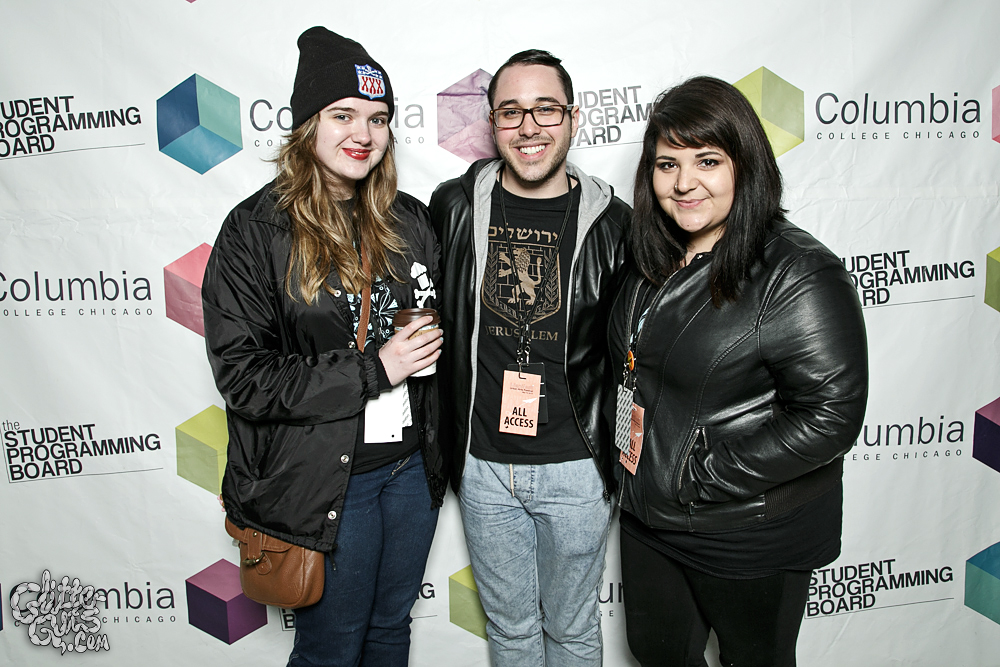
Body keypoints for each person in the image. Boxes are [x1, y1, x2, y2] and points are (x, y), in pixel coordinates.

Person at [201, 27, 446, 667]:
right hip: (328, 482)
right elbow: (245, 377)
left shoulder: (408, 219)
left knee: (390, 631)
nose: (363, 133)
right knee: (331, 649)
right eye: (343, 115)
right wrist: (375, 369)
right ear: (308, 124)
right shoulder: (256, 230)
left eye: (378, 118)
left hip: (409, 472)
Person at [607, 76, 868, 667]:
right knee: (657, 653)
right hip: (650, 516)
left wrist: (703, 474)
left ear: (745, 165)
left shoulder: (796, 273)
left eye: (707, 161)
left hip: (745, 528)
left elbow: (830, 416)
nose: (684, 183)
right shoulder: (652, 254)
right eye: (667, 164)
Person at [429, 49, 630, 666]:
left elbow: (635, 352)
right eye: (511, 111)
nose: (529, 126)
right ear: (492, 122)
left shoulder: (616, 225)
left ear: (572, 117)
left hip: (577, 465)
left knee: (572, 630)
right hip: (484, 466)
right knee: (511, 632)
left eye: (546, 109)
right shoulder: (454, 207)